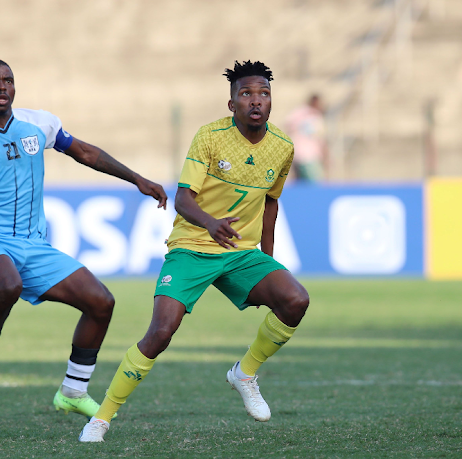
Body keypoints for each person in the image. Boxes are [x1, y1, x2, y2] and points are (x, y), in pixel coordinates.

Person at [79, 60, 310, 442]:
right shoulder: (210, 136)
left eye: (264, 94)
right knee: (161, 332)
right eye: (246, 94)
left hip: (239, 252)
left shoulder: (283, 147)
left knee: (295, 300)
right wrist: (210, 224)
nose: (256, 101)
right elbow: (183, 199)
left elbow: (271, 203)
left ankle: (245, 373)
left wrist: (268, 258)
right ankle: (100, 419)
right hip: (192, 246)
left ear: (272, 102)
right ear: (232, 103)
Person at [0, 58, 167, 419]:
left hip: (34, 244)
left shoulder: (40, 123)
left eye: (7, 79)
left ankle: (74, 389)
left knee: (101, 302)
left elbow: (85, 152)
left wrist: (137, 179)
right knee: (7, 285)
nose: (1, 86)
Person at [285, 94, 327, 182]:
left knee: (300, 184)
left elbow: (288, 126)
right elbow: (319, 138)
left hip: (297, 154)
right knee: (314, 184)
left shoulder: (298, 112)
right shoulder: (315, 116)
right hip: (310, 156)